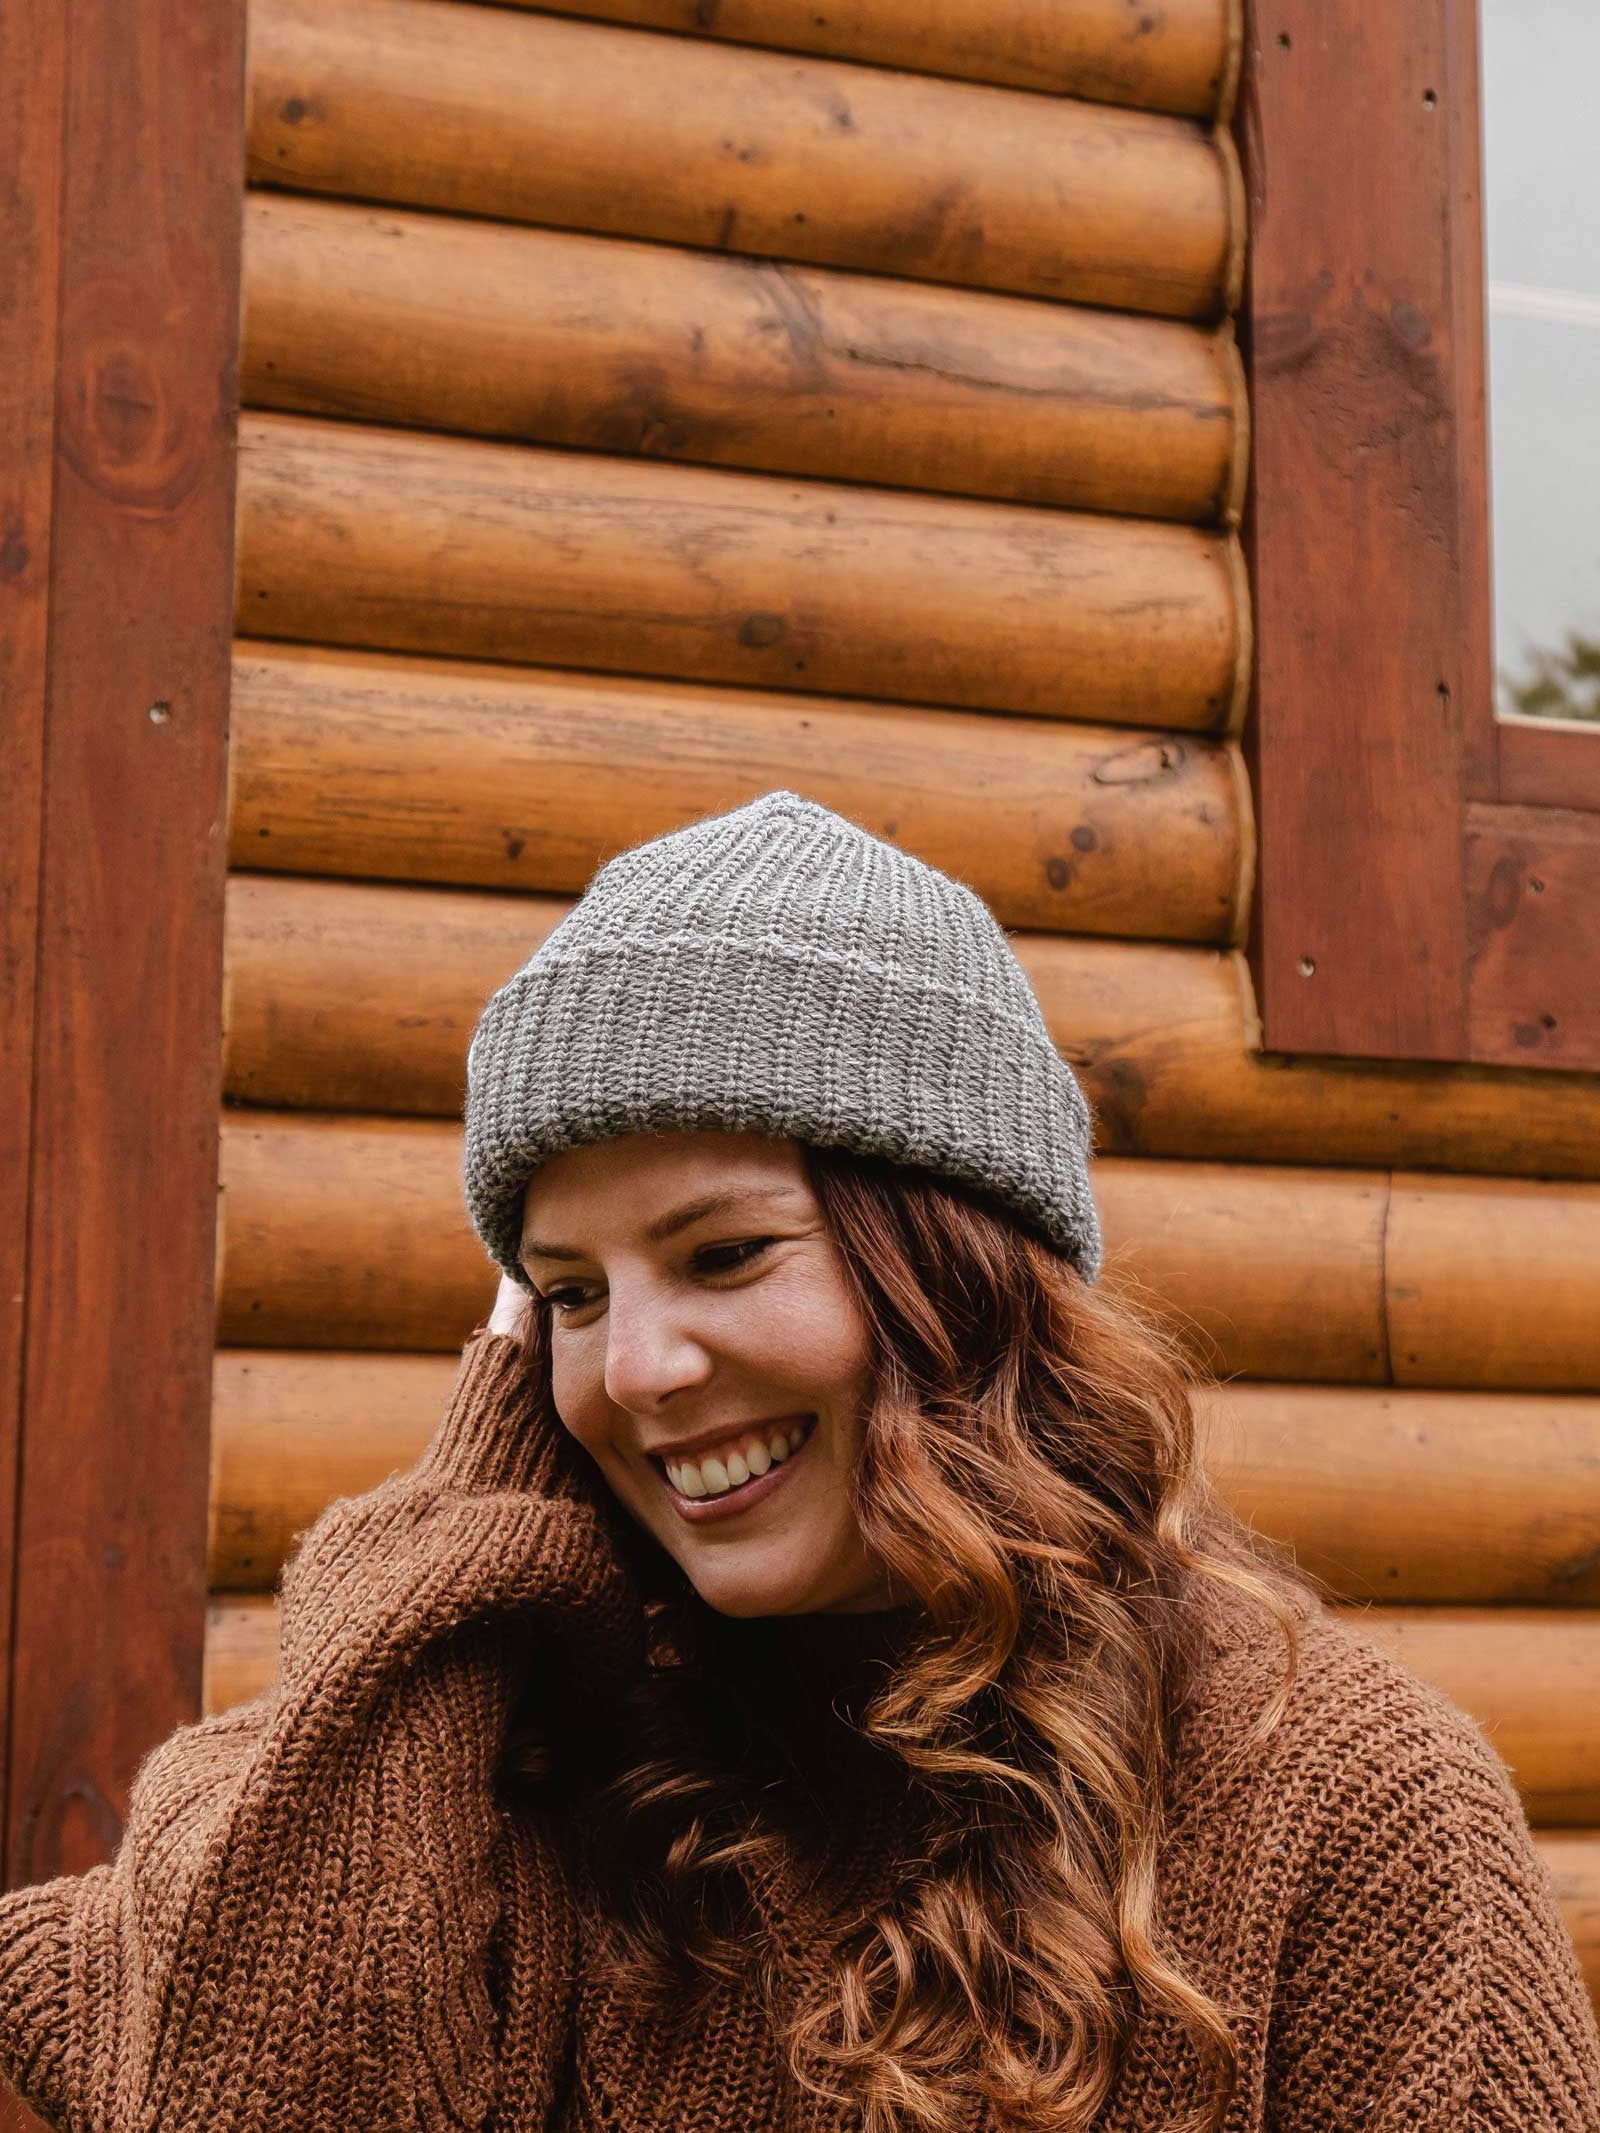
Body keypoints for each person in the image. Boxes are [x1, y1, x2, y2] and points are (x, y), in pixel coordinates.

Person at [1, 789, 1596, 2132]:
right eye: (568, 1295)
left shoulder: (1344, 1809)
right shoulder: (515, 1785)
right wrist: (472, 1505)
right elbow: (242, 2082)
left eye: (723, 1253)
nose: (635, 1368)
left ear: (959, 1274)